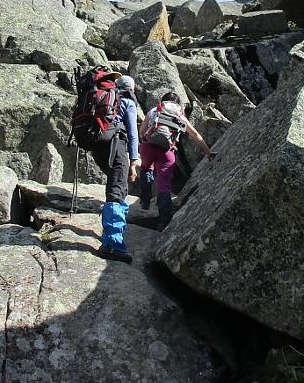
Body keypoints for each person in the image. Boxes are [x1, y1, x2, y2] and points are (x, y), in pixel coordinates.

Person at [139, 91, 214, 230]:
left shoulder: (154, 110)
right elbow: (196, 135)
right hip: (166, 152)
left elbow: (142, 131)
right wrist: (208, 152)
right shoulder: (180, 116)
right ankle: (164, 221)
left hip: (148, 147)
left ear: (163, 101)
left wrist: (146, 139)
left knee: (146, 168)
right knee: (164, 185)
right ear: (178, 104)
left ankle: (144, 200)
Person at [90, 74, 141, 263]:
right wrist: (134, 160)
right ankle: (112, 245)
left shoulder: (103, 100)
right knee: (117, 191)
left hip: (98, 147)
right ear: (132, 89)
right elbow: (133, 135)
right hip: (116, 145)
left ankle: (113, 234)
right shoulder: (127, 102)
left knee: (117, 187)